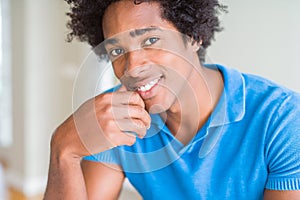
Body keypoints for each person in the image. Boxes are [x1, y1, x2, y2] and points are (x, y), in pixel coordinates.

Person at [44, 0, 300, 199]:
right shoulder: (118, 117)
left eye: (151, 40)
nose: (132, 67)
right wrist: (63, 150)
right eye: (117, 50)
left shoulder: (283, 121)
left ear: (193, 36)